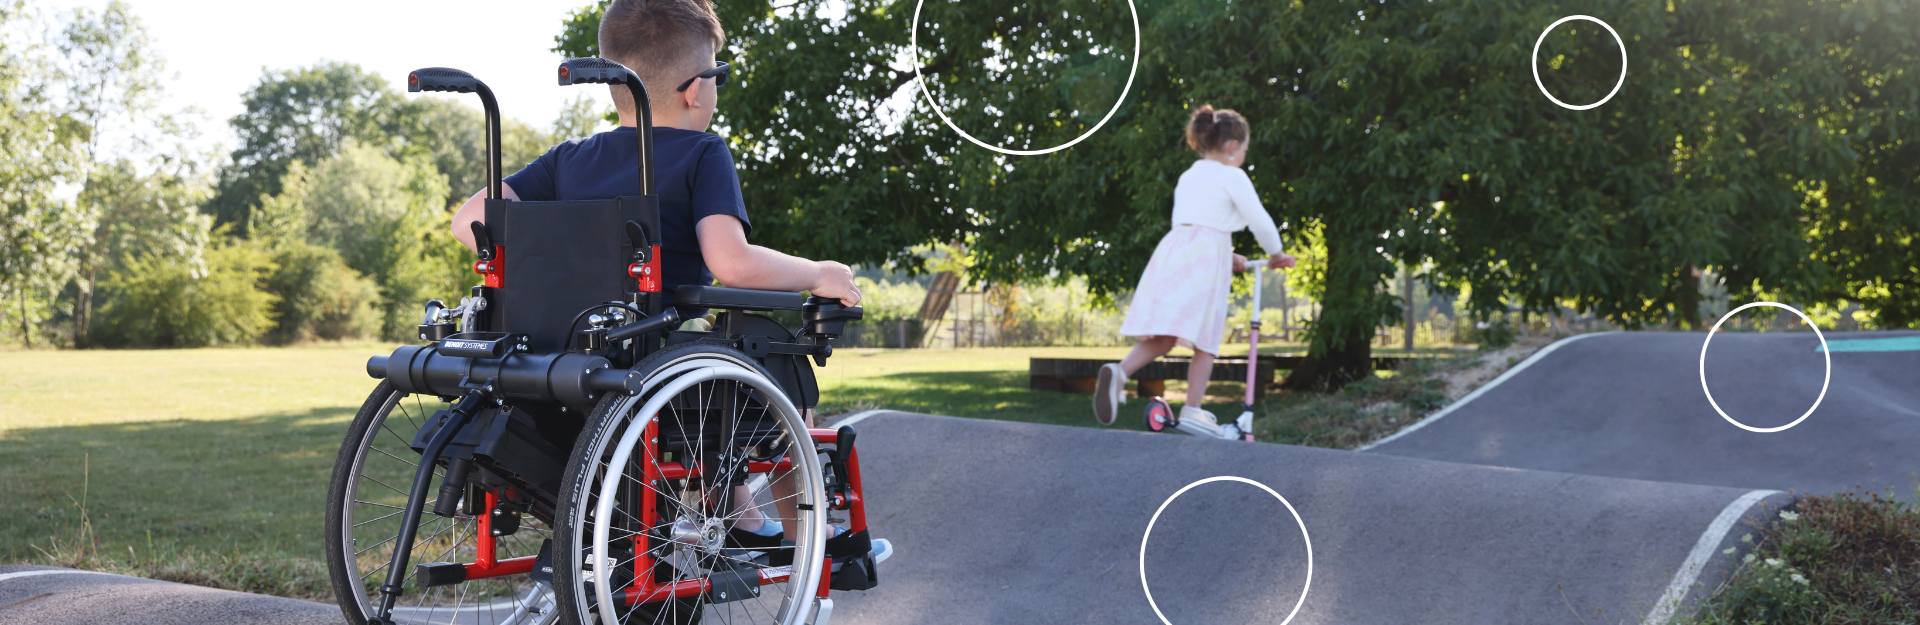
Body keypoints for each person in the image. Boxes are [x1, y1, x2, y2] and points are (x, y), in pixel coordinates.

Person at [446, 0, 884, 563]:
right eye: (718, 76)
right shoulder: (702, 153)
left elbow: (468, 221)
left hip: (561, 361)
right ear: (696, 89)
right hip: (653, 355)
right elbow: (732, 263)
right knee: (781, 369)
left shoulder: (567, 160)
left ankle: (739, 508)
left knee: (714, 367)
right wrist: (821, 274)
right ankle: (805, 535)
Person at [1093, 105, 1295, 437]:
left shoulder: (1189, 175)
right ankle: (1193, 409)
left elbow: (1196, 226)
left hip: (1175, 250)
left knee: (1164, 335)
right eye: (1244, 150)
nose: (1243, 155)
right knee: (1206, 338)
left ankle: (1120, 372)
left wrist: (1227, 255)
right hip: (1206, 257)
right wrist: (1275, 253)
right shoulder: (1233, 175)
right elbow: (1259, 220)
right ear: (1233, 147)